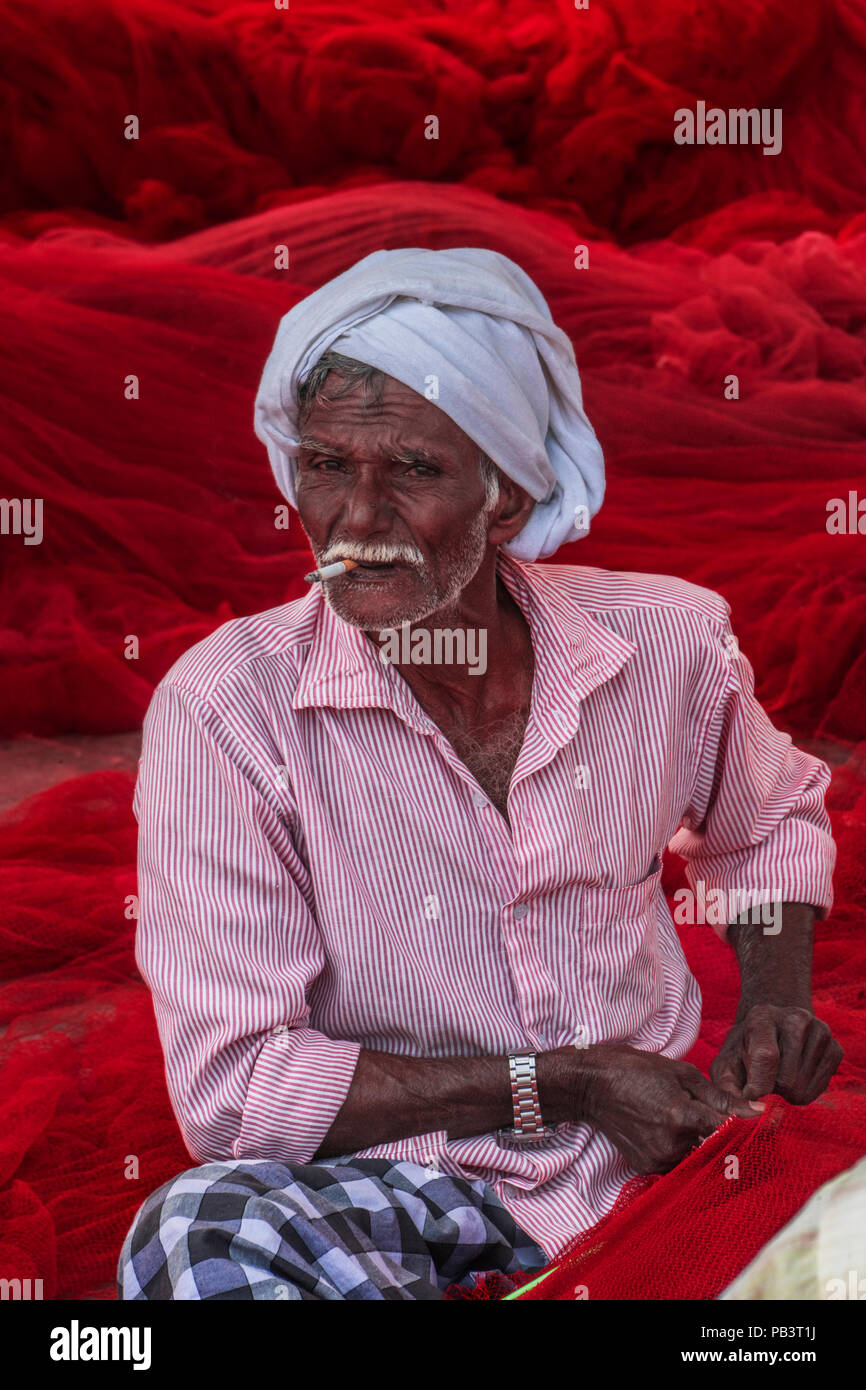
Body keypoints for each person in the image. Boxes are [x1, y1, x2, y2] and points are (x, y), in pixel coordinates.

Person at [118, 247, 842, 1300]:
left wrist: (771, 999)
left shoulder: (664, 643)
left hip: (662, 1169)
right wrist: (573, 1083)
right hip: (405, 1182)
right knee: (197, 1231)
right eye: (326, 467)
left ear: (504, 496)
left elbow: (765, 826)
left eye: (410, 471)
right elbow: (236, 1092)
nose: (355, 526)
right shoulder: (225, 710)